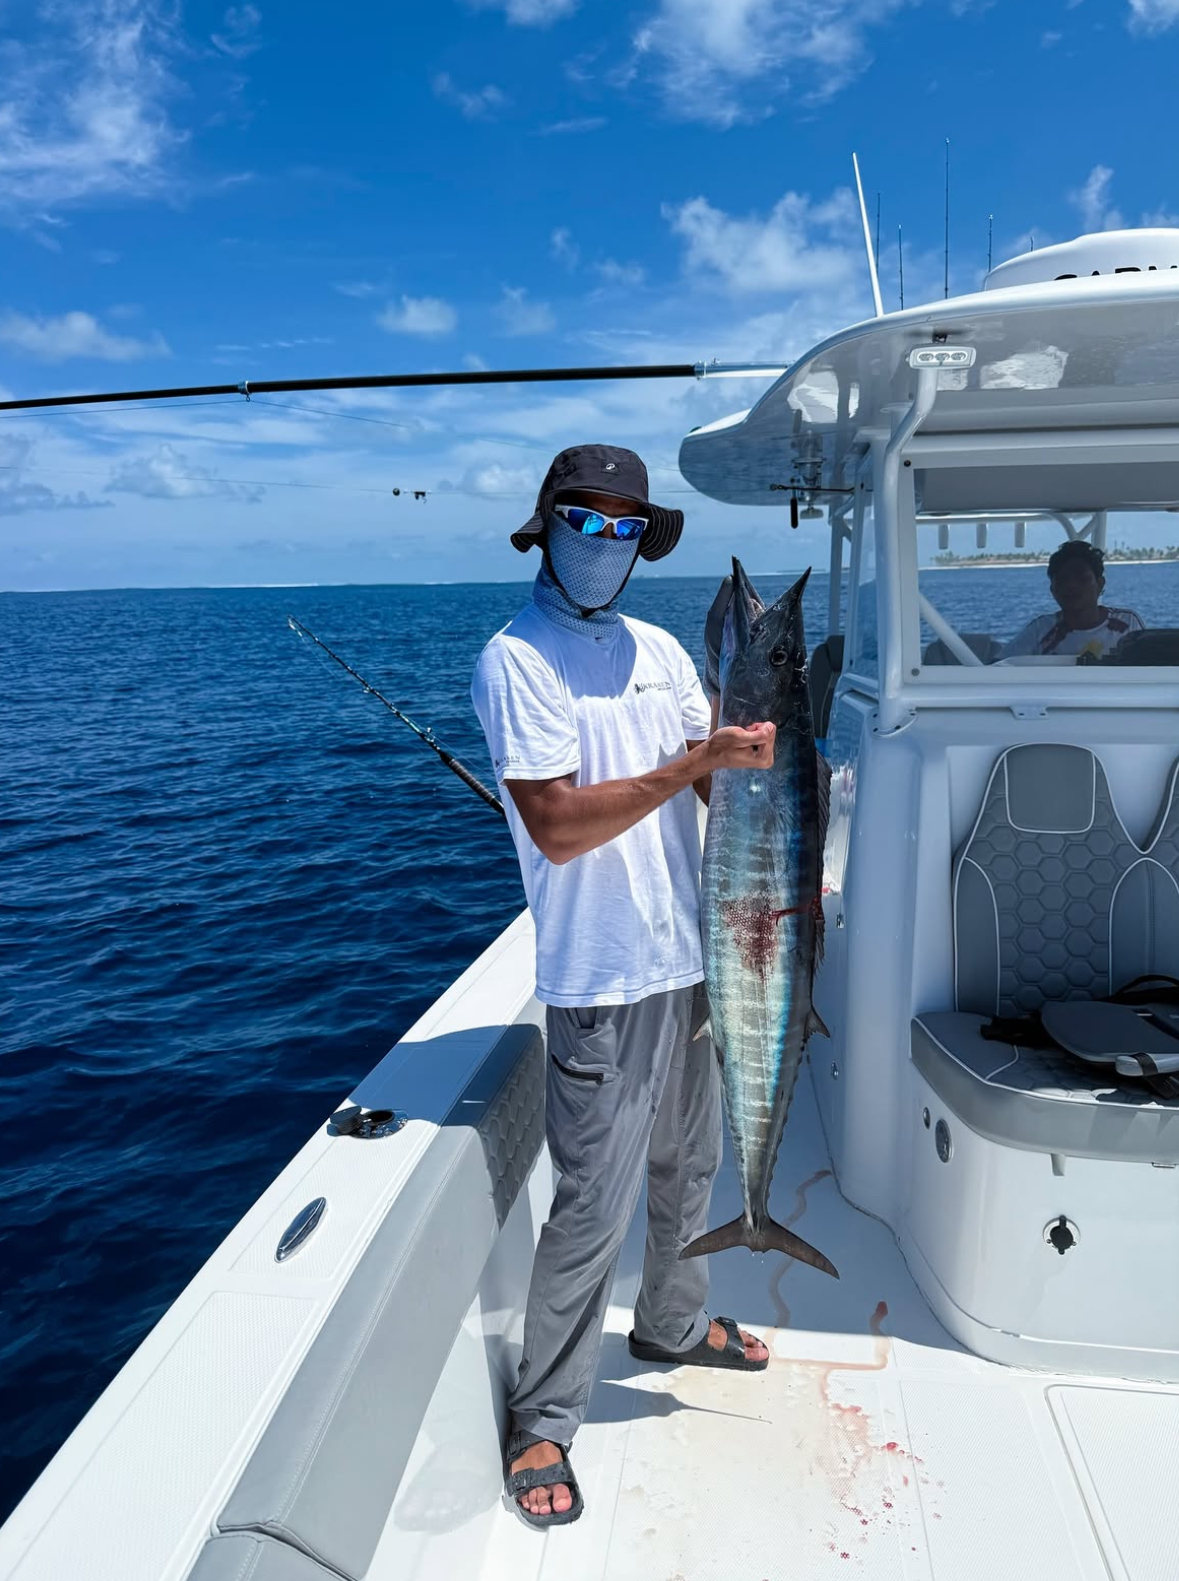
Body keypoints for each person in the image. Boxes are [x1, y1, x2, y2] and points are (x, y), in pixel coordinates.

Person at [471, 444, 774, 1530]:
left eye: (626, 527)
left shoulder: (657, 650)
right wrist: (701, 764)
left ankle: (674, 1326)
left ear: (648, 542)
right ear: (545, 525)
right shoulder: (519, 659)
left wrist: (750, 760)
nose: (605, 543)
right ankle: (546, 1416)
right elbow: (556, 828)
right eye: (586, 521)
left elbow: (718, 780)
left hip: (693, 960)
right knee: (592, 1206)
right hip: (599, 977)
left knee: (691, 1166)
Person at [1000, 540, 1144, 660]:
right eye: (1063, 579)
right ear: (1053, 589)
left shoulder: (1127, 624)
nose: (1072, 586)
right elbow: (998, 667)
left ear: (1100, 584)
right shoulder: (1040, 630)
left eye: (1082, 578)